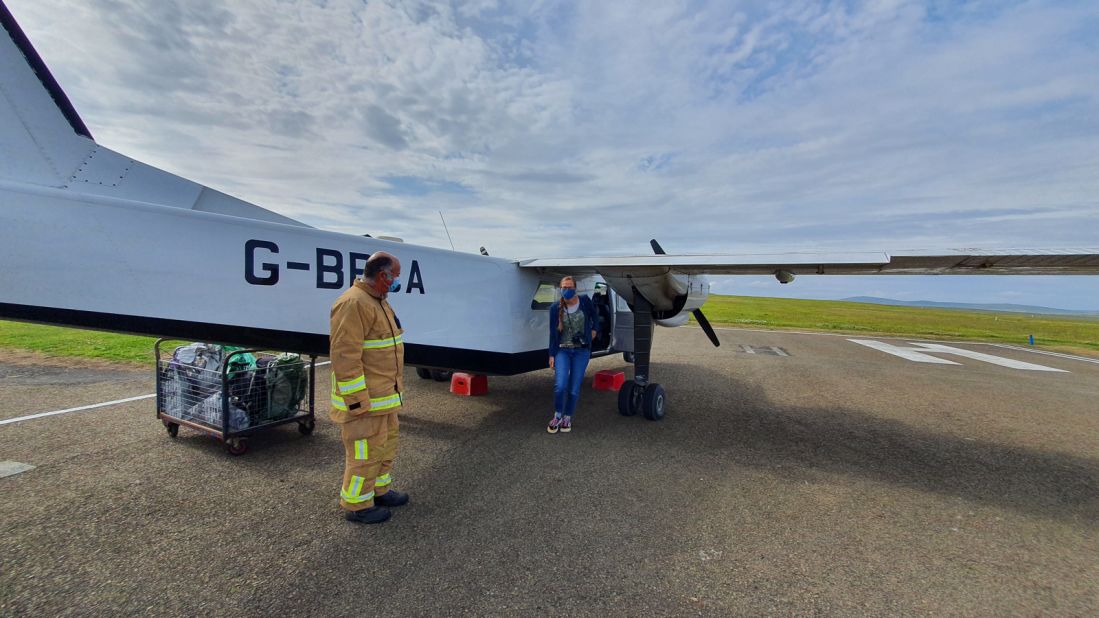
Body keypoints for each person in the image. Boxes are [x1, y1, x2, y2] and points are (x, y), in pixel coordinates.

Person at [329, 251, 409, 524]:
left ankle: (379, 490)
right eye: (395, 276)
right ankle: (357, 504)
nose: (397, 281)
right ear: (383, 275)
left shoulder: (379, 301)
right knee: (364, 452)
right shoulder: (352, 303)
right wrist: (356, 401)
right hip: (366, 402)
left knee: (384, 447)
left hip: (385, 397)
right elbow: (345, 355)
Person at [547, 276, 599, 433]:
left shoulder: (584, 301)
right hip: (563, 349)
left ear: (575, 288)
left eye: (569, 287)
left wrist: (595, 329)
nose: (566, 290)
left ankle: (567, 417)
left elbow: (595, 316)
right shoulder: (555, 308)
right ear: (560, 288)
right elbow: (553, 333)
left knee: (574, 388)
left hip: (581, 351)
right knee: (560, 385)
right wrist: (551, 354)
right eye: (563, 287)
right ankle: (557, 415)